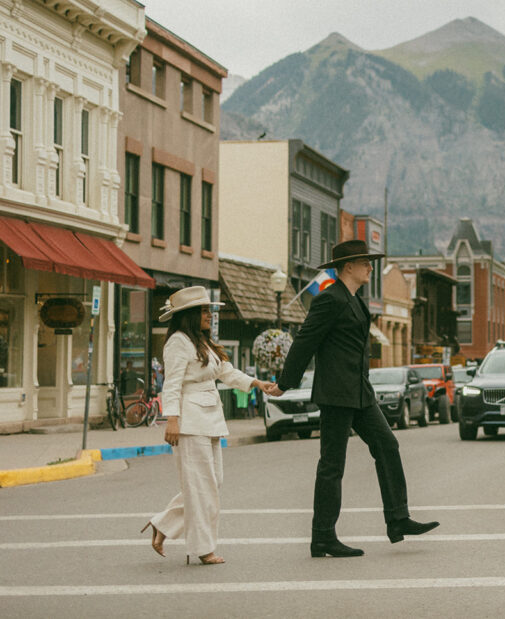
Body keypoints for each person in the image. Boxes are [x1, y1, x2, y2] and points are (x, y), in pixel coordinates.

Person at [274, 239, 438, 558]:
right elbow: (305, 341)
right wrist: (285, 383)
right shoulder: (329, 299)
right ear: (349, 267)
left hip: (360, 393)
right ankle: (322, 536)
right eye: (365, 263)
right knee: (332, 465)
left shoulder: (355, 300)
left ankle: (398, 519)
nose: (370, 267)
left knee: (387, 445)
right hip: (336, 394)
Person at [141, 286, 277, 565]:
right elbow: (172, 384)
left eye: (208, 310)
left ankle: (163, 524)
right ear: (189, 315)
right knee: (202, 487)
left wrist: (257, 383)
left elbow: (225, 372)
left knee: (210, 484)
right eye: (204, 311)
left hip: (211, 420)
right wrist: (173, 420)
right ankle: (203, 549)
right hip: (190, 423)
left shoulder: (201, 342)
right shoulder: (178, 342)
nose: (209, 315)